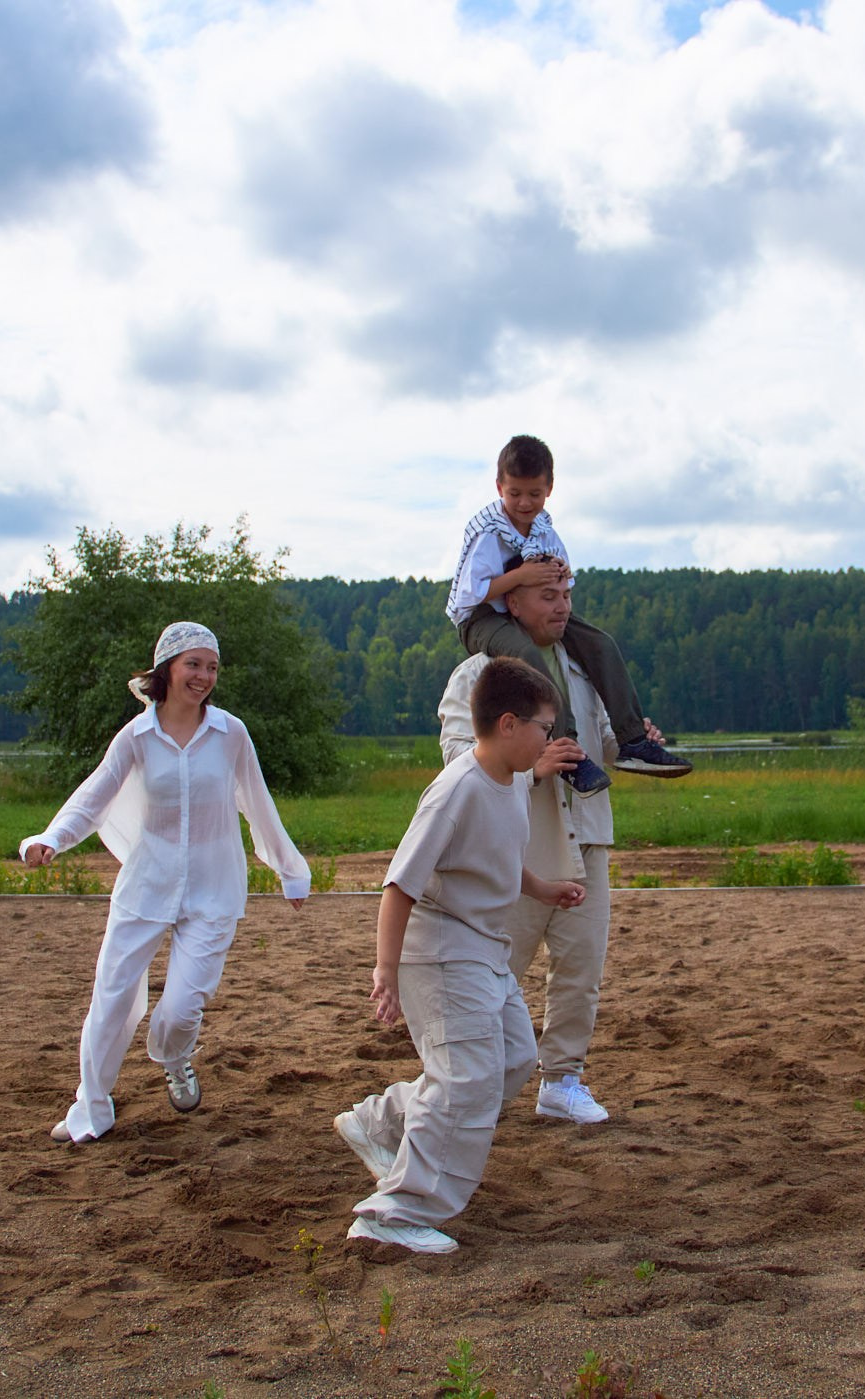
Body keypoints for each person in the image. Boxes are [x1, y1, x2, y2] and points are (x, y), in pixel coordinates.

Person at [20, 621, 310, 1144]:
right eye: (193, 664)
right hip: (146, 885)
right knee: (111, 995)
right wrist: (52, 838)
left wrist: (290, 871)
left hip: (213, 890)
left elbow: (258, 805)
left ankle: (175, 1058)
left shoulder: (230, 734)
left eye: (212, 667)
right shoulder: (136, 736)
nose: (204, 676)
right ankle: (93, 1107)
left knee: (178, 1012)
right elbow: (96, 795)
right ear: (167, 669)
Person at [333, 657, 586, 1254]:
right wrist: (386, 971)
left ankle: (381, 1122)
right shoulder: (456, 792)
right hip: (441, 953)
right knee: (467, 1078)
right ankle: (394, 1214)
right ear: (507, 724)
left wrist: (543, 888)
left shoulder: (513, 781)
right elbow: (400, 885)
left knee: (515, 1058)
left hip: (483, 948)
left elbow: (492, 858)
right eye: (544, 728)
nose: (549, 739)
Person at [437, 572, 646, 1126]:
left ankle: (562, 1082)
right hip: (517, 848)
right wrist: (530, 767)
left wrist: (630, 742)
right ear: (512, 604)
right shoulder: (478, 675)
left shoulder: (583, 669)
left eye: (568, 597)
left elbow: (597, 740)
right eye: (548, 597)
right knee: (493, 970)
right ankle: (468, 1080)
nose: (562, 608)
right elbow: (456, 756)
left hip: (589, 839)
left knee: (582, 970)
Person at [445, 433, 691, 795]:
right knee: (526, 654)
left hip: (529, 608)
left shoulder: (546, 530)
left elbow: (565, 575)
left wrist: (555, 576)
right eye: (514, 494)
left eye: (534, 494)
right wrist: (521, 577)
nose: (524, 503)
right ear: (499, 487)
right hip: (482, 616)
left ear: (550, 489)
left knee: (601, 644)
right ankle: (567, 748)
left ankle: (634, 741)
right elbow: (472, 592)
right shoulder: (487, 531)